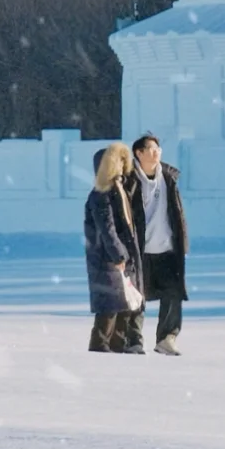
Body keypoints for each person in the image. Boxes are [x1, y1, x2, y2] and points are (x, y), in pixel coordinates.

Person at [122, 133, 189, 356]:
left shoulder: (168, 178)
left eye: (158, 149)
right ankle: (133, 340)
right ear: (138, 153)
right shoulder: (129, 181)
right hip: (139, 250)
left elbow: (178, 213)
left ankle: (167, 339)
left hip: (167, 248)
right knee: (136, 296)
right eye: (151, 149)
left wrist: (182, 242)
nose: (156, 152)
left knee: (173, 293)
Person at [84, 143, 144, 352]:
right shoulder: (101, 194)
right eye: (118, 160)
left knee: (123, 304)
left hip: (122, 257)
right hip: (107, 259)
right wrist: (119, 254)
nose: (122, 164)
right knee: (109, 306)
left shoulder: (119, 189)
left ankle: (118, 345)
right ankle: (100, 345)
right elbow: (107, 228)